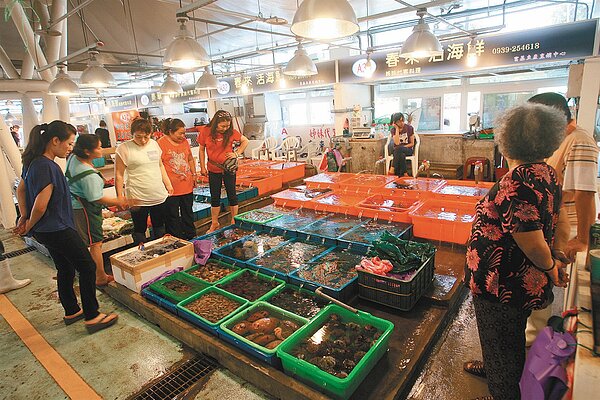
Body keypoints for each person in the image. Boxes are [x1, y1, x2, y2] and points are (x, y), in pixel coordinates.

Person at [464, 103, 569, 400]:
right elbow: (557, 218)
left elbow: (531, 241)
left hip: (502, 284)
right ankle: (495, 368)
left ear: (508, 138)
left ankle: (503, 391)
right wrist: (556, 257)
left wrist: (551, 266)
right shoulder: (548, 173)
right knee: (507, 338)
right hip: (520, 280)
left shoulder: (516, 180)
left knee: (502, 343)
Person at [14, 121, 118, 333]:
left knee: (65, 268)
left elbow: (21, 190)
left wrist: (24, 217)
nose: (71, 148)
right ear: (55, 141)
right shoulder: (47, 166)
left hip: (46, 230)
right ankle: (93, 316)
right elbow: (41, 205)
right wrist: (28, 225)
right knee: (87, 267)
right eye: (69, 143)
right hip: (57, 228)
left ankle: (72, 310)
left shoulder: (32, 162)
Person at [524, 92, 599, 344]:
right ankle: (535, 336)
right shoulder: (561, 141)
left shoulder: (580, 141)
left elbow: (584, 193)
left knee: (548, 279)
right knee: (544, 279)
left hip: (571, 227)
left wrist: (582, 238)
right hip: (556, 224)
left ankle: (535, 342)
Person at [66, 134, 128, 286]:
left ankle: (92, 273)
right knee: (95, 243)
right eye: (99, 147)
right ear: (87, 151)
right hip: (84, 210)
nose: (102, 150)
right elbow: (95, 198)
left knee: (89, 241)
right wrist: (118, 201)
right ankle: (100, 276)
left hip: (74, 205)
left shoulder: (73, 158)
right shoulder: (88, 175)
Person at [115, 118, 173, 244]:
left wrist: (168, 184)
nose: (143, 140)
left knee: (159, 226)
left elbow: (160, 165)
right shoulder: (124, 148)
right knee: (140, 229)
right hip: (137, 196)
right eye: (138, 137)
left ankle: (161, 251)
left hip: (157, 194)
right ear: (132, 134)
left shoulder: (154, 144)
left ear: (150, 134)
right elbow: (119, 175)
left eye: (146, 137)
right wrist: (119, 196)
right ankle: (141, 253)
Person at [198, 110, 249, 233]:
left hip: (228, 168)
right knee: (214, 196)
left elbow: (245, 141)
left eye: (227, 126)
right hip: (213, 168)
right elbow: (201, 149)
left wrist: (236, 153)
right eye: (222, 126)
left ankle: (234, 220)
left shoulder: (231, 132)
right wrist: (202, 167)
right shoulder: (205, 131)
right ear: (215, 123)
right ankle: (214, 223)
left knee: (232, 194)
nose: (225, 129)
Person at [158, 118, 197, 240]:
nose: (183, 136)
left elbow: (190, 159)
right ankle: (176, 239)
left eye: (184, 133)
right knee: (172, 215)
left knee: (188, 212)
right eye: (180, 133)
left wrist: (194, 174)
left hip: (187, 184)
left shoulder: (184, 142)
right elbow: (159, 164)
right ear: (170, 131)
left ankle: (191, 236)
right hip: (171, 187)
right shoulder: (161, 143)